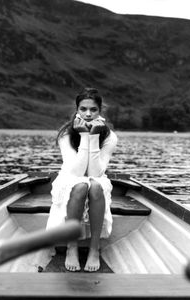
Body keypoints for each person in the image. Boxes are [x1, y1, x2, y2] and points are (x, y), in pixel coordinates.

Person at [46, 87, 118, 272]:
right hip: (70, 178)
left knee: (94, 186)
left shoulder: (109, 136)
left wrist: (93, 136)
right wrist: (83, 135)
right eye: (83, 109)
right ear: (77, 110)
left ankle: (94, 249)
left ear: (100, 111)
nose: (87, 114)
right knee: (80, 186)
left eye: (93, 109)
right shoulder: (66, 134)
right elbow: (77, 172)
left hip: (97, 179)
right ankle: (72, 247)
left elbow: (96, 172)